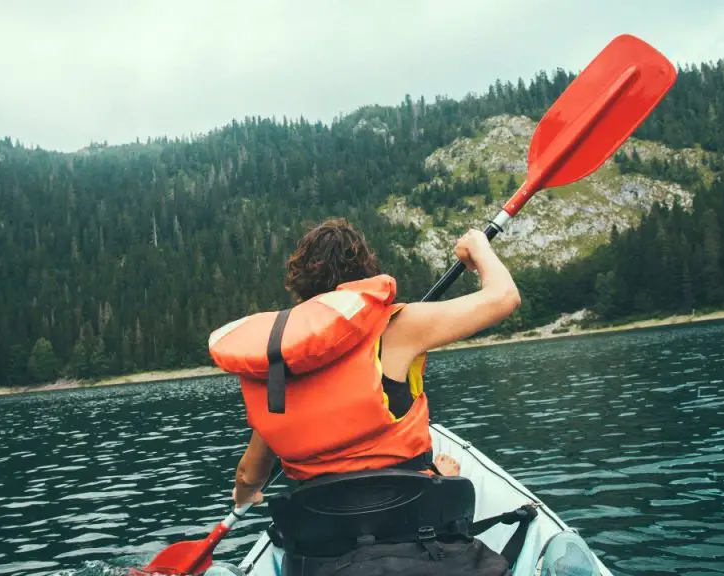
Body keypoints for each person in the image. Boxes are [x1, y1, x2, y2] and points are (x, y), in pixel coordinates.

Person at [207, 217, 522, 575]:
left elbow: (250, 473)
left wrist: (244, 496)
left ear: (299, 286)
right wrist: (479, 247)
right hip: (420, 535)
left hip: (322, 555)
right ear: (364, 274)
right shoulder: (398, 327)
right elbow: (504, 298)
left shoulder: (275, 372)